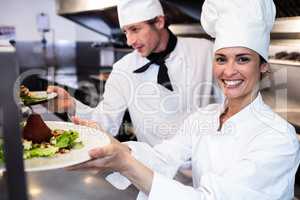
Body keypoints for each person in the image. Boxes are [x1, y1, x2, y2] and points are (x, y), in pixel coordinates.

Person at [69, 0, 300, 199]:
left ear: (263, 66)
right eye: (221, 59)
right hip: (168, 183)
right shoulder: (206, 117)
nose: (228, 71)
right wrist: (117, 151)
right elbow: (162, 156)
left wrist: (125, 162)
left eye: (242, 59)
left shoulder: (279, 137)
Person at [47, 0, 218, 146]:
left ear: (159, 21)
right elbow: (106, 123)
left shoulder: (204, 50)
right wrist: (72, 106)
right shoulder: (123, 69)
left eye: (135, 29)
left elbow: (228, 104)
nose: (130, 41)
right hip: (153, 171)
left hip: (202, 167)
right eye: (126, 32)